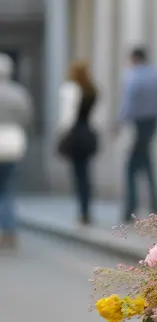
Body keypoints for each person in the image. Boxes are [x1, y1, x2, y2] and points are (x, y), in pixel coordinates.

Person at [118, 47, 157, 222]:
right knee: (148, 163)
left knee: (130, 167)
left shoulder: (133, 76)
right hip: (153, 121)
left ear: (134, 59)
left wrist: (120, 122)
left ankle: (130, 209)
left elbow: (128, 102)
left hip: (139, 124)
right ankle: (156, 206)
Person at [57, 62, 99, 225]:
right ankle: (86, 209)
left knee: (79, 175)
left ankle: (84, 211)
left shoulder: (70, 89)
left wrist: (62, 135)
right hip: (88, 133)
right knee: (86, 174)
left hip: (75, 135)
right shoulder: (92, 91)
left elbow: (67, 116)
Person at [0, 53, 33, 251]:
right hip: (13, 144)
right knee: (9, 189)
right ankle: (10, 230)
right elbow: (27, 117)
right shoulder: (19, 93)